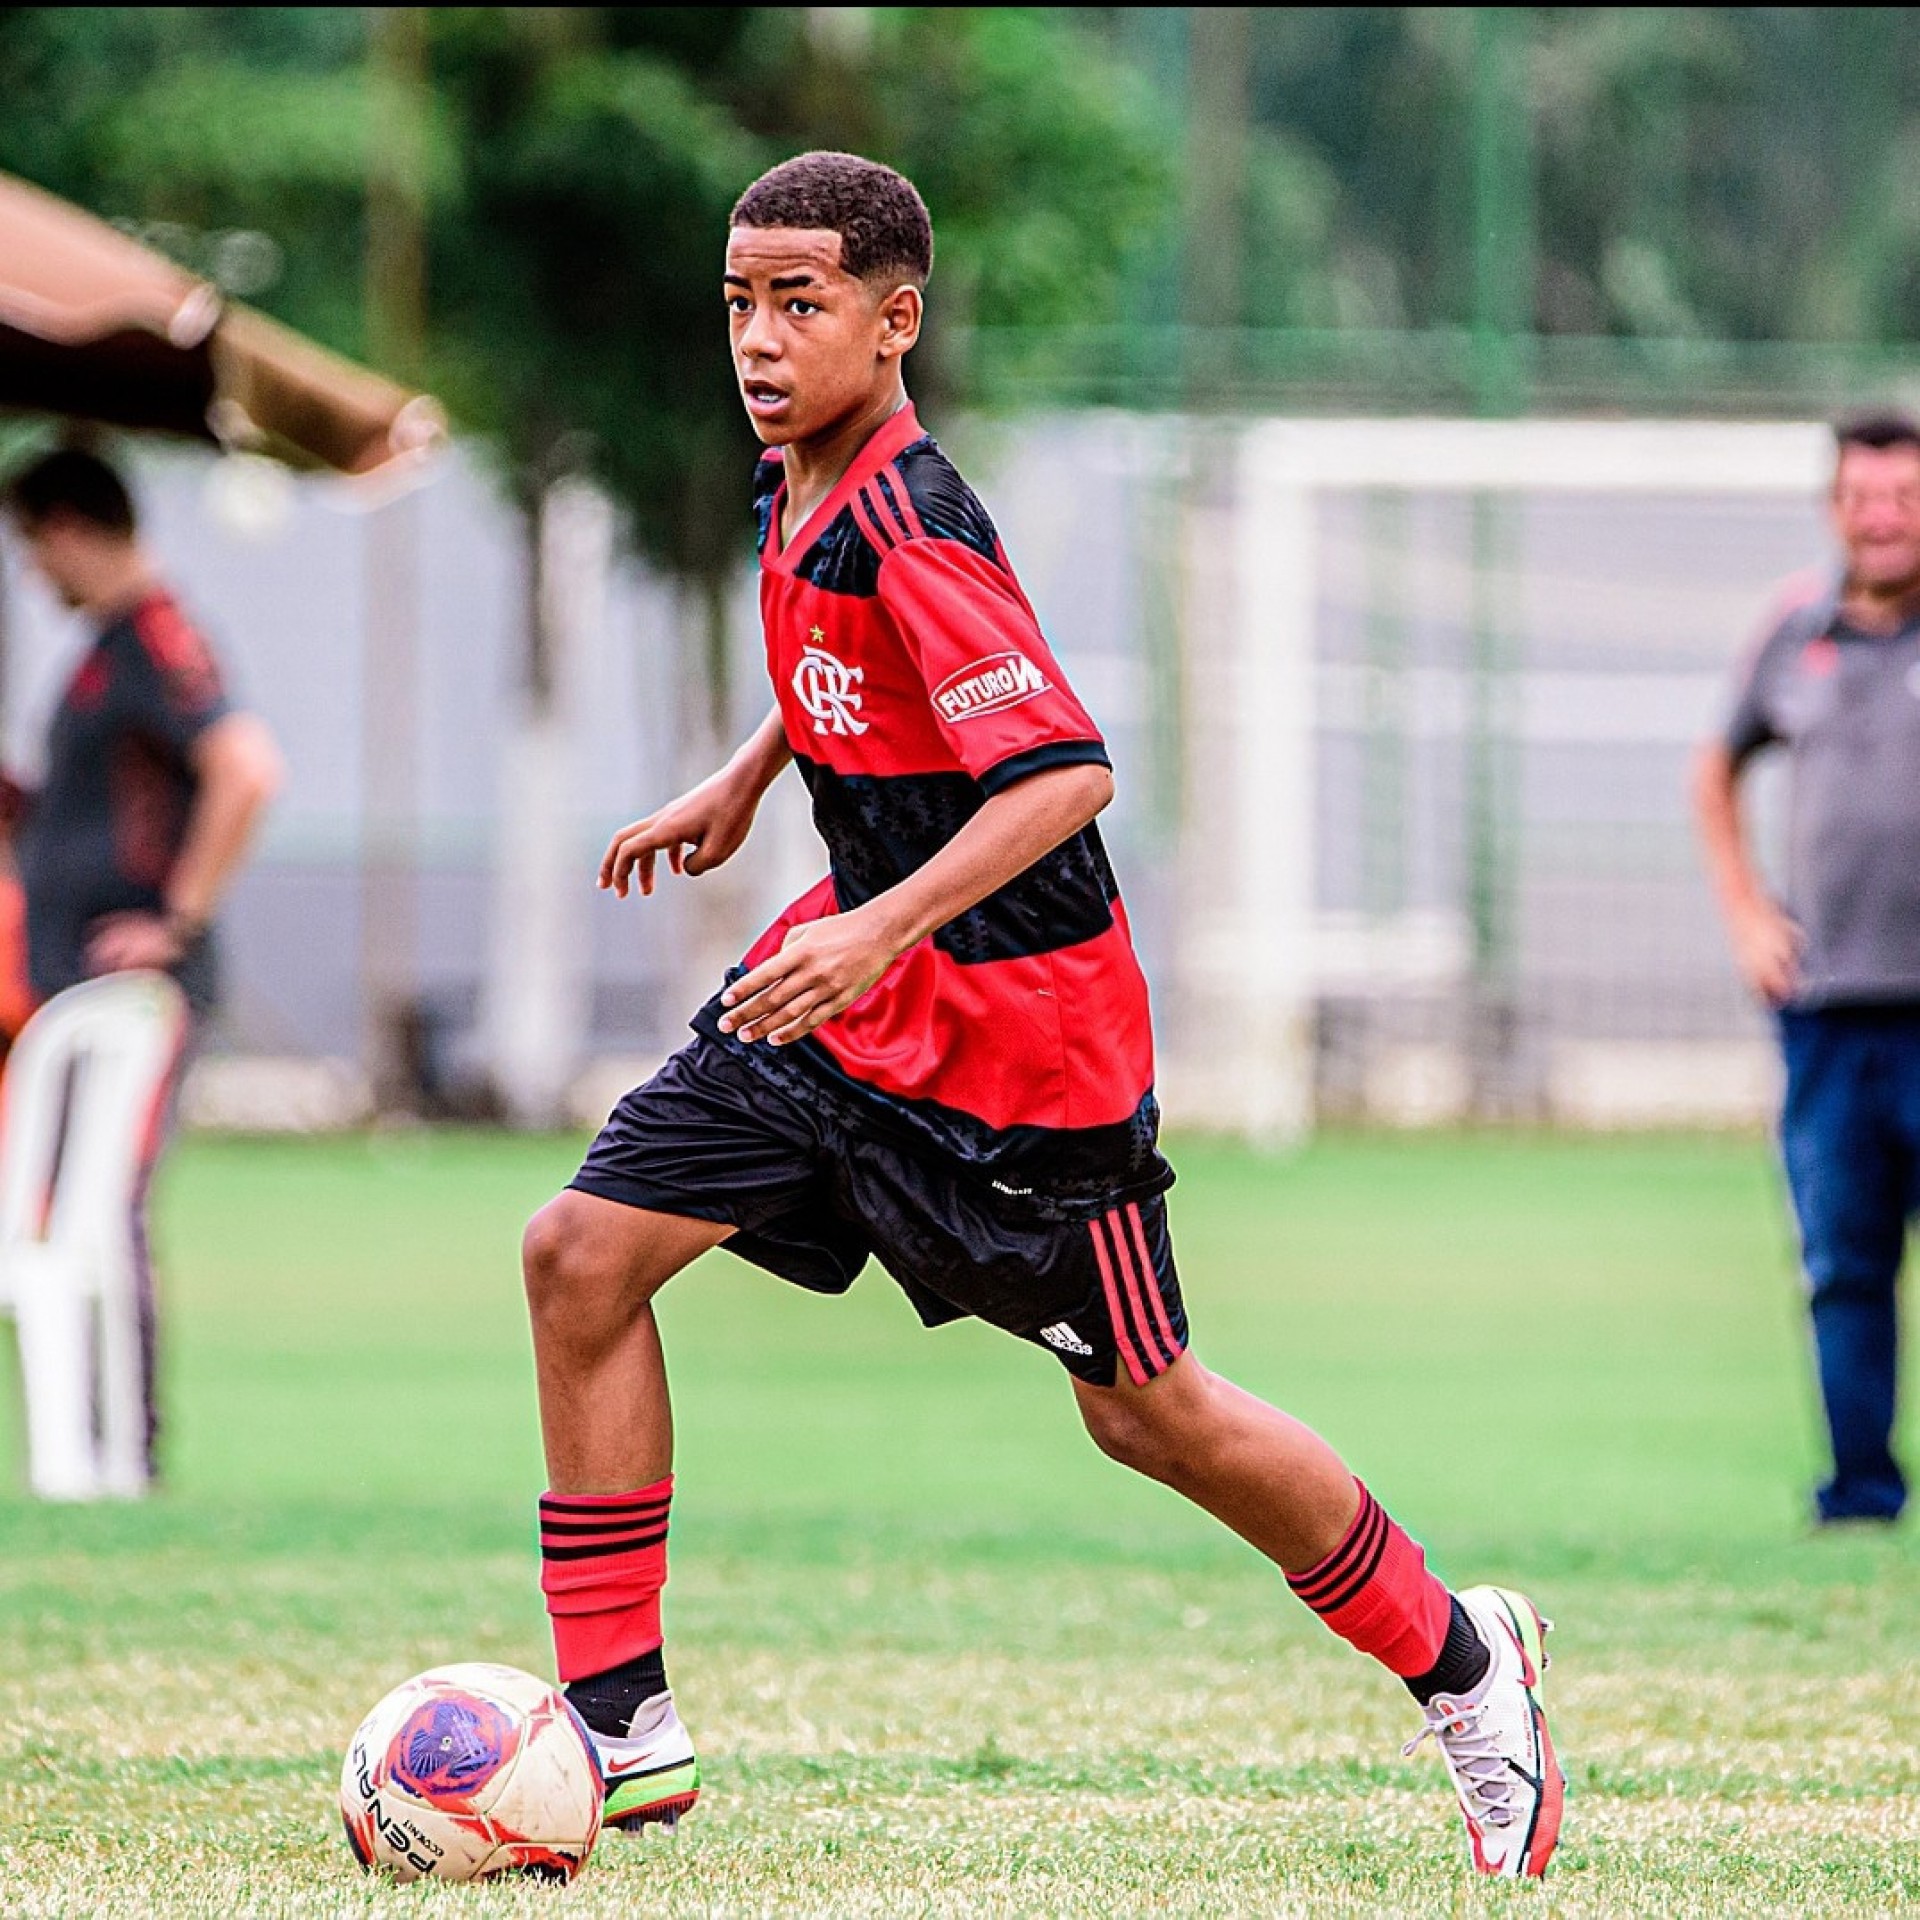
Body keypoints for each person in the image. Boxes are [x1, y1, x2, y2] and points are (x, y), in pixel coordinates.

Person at [521, 151, 1564, 1877]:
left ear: (894, 317)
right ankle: (616, 1723)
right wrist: (746, 773)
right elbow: (848, 672)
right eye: (740, 302)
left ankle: (1469, 1670)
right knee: (578, 1256)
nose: (761, 341)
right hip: (838, 1005)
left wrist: (881, 928)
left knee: (1145, 1409)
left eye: (802, 303)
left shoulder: (919, 519)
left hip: (1022, 1043)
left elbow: (1064, 772)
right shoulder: (799, 481)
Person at [2, 446, 283, 1480]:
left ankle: (123, 1449)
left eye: (36, 546)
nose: (36, 572)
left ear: (73, 527)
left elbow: (245, 768)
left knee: (99, 1209)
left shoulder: (156, 636)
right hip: (78, 982)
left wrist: (177, 917)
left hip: (134, 994)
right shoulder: (106, 650)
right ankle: (86, 1436)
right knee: (70, 1208)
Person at [1695, 411, 1920, 1527]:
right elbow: (1714, 769)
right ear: (1836, 507)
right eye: (1863, 498)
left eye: (1903, 498)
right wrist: (1745, 911)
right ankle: (1861, 1493)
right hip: (1829, 1015)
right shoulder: (1793, 630)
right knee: (1842, 1263)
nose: (1882, 518)